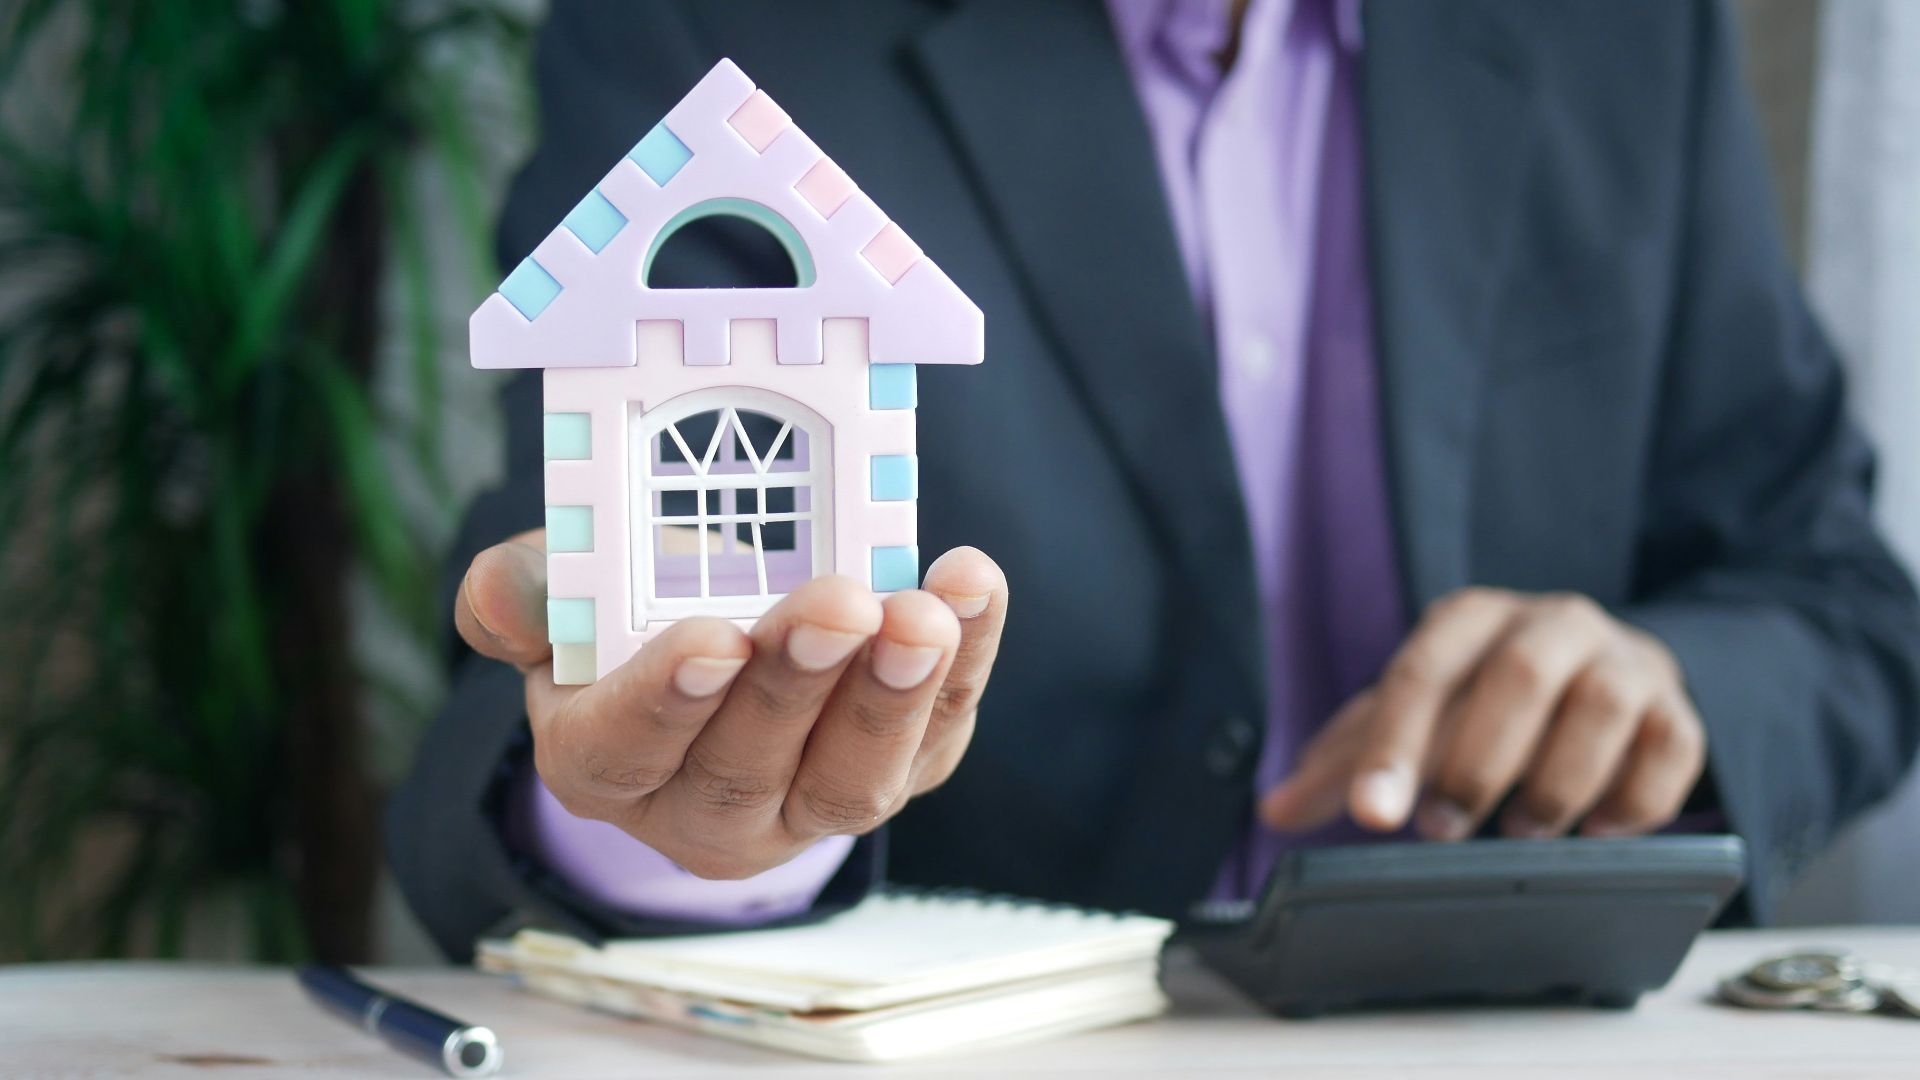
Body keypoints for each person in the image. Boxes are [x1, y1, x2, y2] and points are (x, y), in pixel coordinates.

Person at [389, 0, 1920, 960]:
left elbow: (1841, 603)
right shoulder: (714, 35)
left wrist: (1668, 685)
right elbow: (554, 645)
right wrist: (680, 826)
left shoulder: (1625, 31)